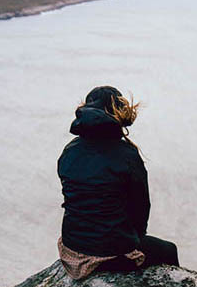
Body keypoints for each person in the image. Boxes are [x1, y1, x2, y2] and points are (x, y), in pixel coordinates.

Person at [57, 86, 179, 280]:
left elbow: (74, 197)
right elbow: (140, 208)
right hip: (110, 253)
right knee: (169, 250)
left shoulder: (69, 151)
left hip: (72, 249)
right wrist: (134, 239)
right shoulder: (127, 155)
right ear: (119, 112)